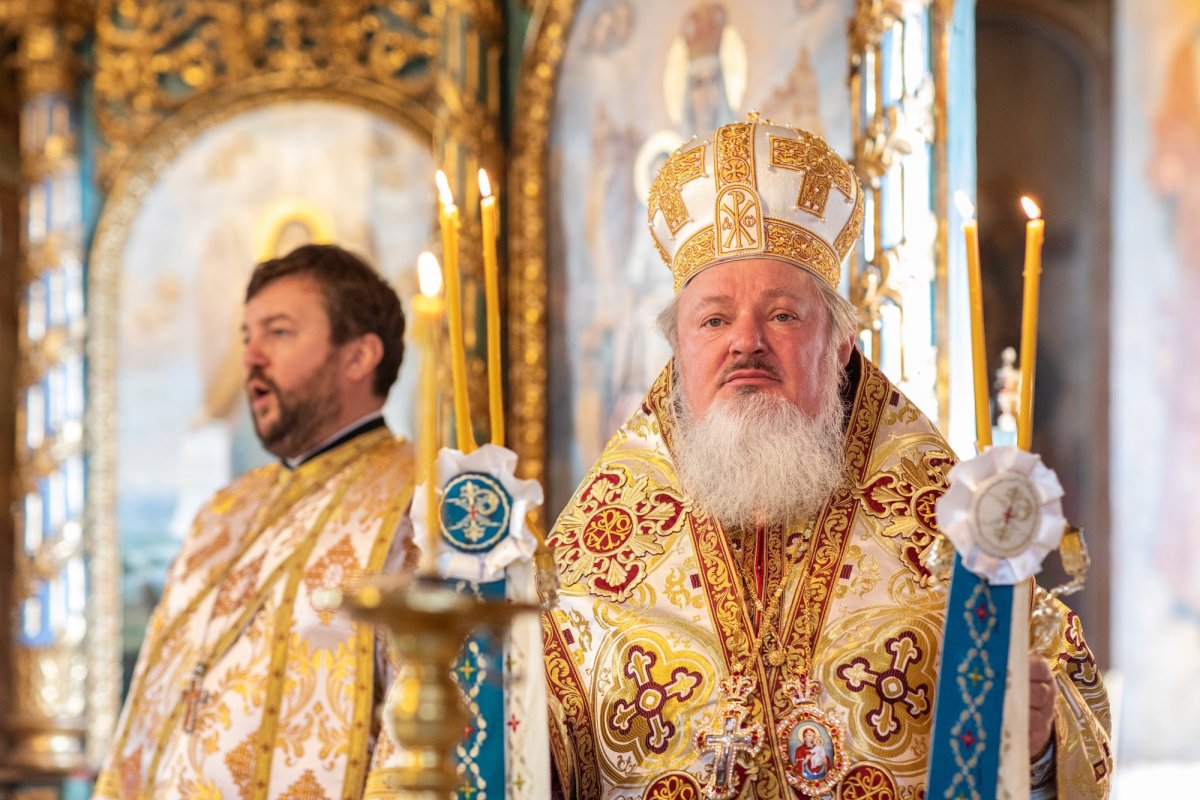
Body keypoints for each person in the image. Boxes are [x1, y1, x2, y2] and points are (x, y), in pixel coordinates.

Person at [542, 118, 1112, 799]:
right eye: (714, 320)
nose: (745, 342)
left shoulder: (950, 537)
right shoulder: (591, 565)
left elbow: (1073, 748)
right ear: (680, 349)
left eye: (781, 315)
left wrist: (1040, 748)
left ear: (840, 344)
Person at [95, 244, 417, 799]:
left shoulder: (416, 502)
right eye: (247, 336)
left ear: (359, 356)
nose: (250, 357)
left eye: (279, 332)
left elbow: (421, 723)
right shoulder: (222, 514)